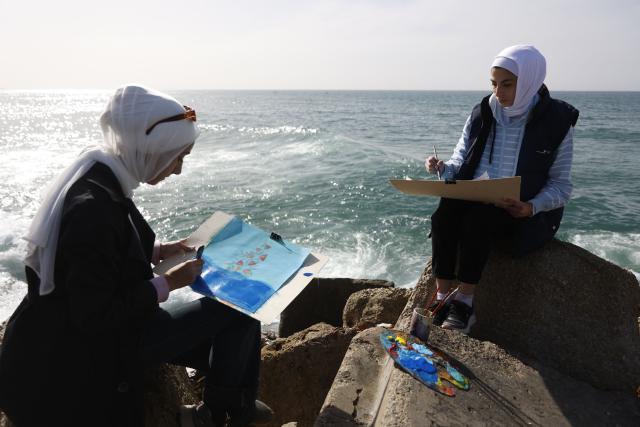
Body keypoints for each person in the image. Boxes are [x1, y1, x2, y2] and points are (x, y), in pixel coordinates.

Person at [0, 85, 273, 427]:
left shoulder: (103, 177)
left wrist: (163, 250)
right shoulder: (93, 210)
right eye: (178, 156)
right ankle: (223, 412)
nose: (178, 169)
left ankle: (225, 406)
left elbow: (105, 254)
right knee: (236, 307)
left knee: (239, 315)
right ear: (153, 146)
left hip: (108, 329)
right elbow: (95, 316)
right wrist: (169, 283)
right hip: (89, 350)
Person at [424, 45, 579, 334]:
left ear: (531, 80)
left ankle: (465, 304)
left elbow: (561, 185)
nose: (499, 92)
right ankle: (443, 296)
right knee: (444, 213)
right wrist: (443, 168)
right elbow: (461, 159)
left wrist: (531, 206)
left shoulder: (557, 121)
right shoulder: (483, 112)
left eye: (507, 84)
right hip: (478, 197)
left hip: (521, 211)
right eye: (494, 84)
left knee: (477, 222)